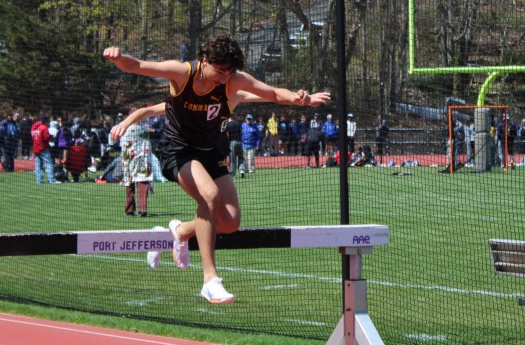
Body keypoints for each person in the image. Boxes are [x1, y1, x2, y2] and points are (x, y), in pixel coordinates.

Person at [104, 35, 329, 304]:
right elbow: (138, 67)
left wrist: (301, 99)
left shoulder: (234, 83)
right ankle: (210, 280)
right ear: (205, 60)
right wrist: (119, 59)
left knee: (230, 223)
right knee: (209, 195)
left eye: (229, 73)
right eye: (220, 71)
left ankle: (180, 231)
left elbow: (272, 93)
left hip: (211, 153)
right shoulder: (183, 73)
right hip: (179, 151)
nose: (223, 79)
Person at [120, 122, 153, 216]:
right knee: (142, 183)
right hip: (142, 161)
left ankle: (130, 210)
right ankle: (142, 209)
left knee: (130, 184)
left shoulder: (125, 128)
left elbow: (114, 141)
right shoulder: (143, 129)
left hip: (130, 161)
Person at [31, 114, 57, 184]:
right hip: (43, 147)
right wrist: (52, 137)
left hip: (35, 147)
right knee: (49, 163)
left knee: (38, 165)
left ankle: (39, 181)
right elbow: (47, 137)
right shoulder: (44, 127)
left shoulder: (33, 127)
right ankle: (51, 180)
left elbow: (32, 137)